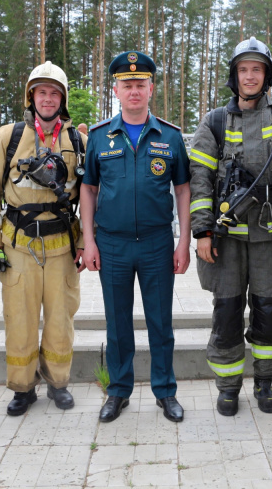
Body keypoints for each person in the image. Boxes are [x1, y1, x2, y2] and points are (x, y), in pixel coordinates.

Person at [189, 37, 272, 416]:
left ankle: (265, 383)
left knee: (268, 311)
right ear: (234, 75)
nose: (250, 76)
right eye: (243, 69)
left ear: (267, 75)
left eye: (256, 69)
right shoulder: (213, 122)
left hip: (271, 238)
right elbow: (199, 180)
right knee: (226, 314)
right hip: (224, 240)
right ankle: (228, 387)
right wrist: (202, 230)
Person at [80, 50, 191, 423]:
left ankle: (165, 391)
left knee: (161, 322)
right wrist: (89, 240)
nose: (134, 91)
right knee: (118, 323)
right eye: (127, 85)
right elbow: (88, 191)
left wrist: (183, 241)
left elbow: (183, 191)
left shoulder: (171, 137)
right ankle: (118, 391)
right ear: (116, 89)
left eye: (140, 85)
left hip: (158, 243)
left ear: (151, 89)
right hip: (111, 244)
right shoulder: (99, 137)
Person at [0, 61, 87, 417]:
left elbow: (91, 197)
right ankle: (23, 389)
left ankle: (58, 383)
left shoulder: (77, 141)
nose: (48, 98)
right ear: (32, 96)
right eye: (42, 92)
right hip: (18, 245)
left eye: (54, 93)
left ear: (62, 99)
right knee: (20, 318)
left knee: (61, 319)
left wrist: (85, 244)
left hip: (62, 245)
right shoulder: (7, 137)